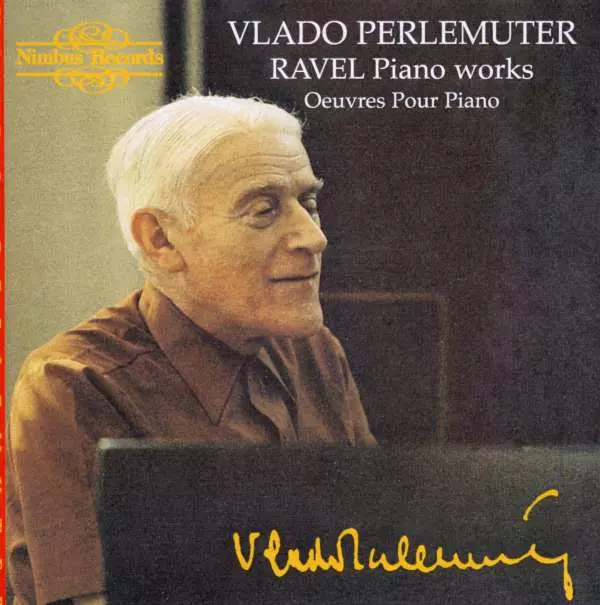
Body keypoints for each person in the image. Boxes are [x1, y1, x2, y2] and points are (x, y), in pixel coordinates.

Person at [7, 95, 375, 605]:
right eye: (264, 210)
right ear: (160, 239)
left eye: (307, 203)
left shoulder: (314, 352)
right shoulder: (71, 383)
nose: (314, 238)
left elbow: (378, 560)